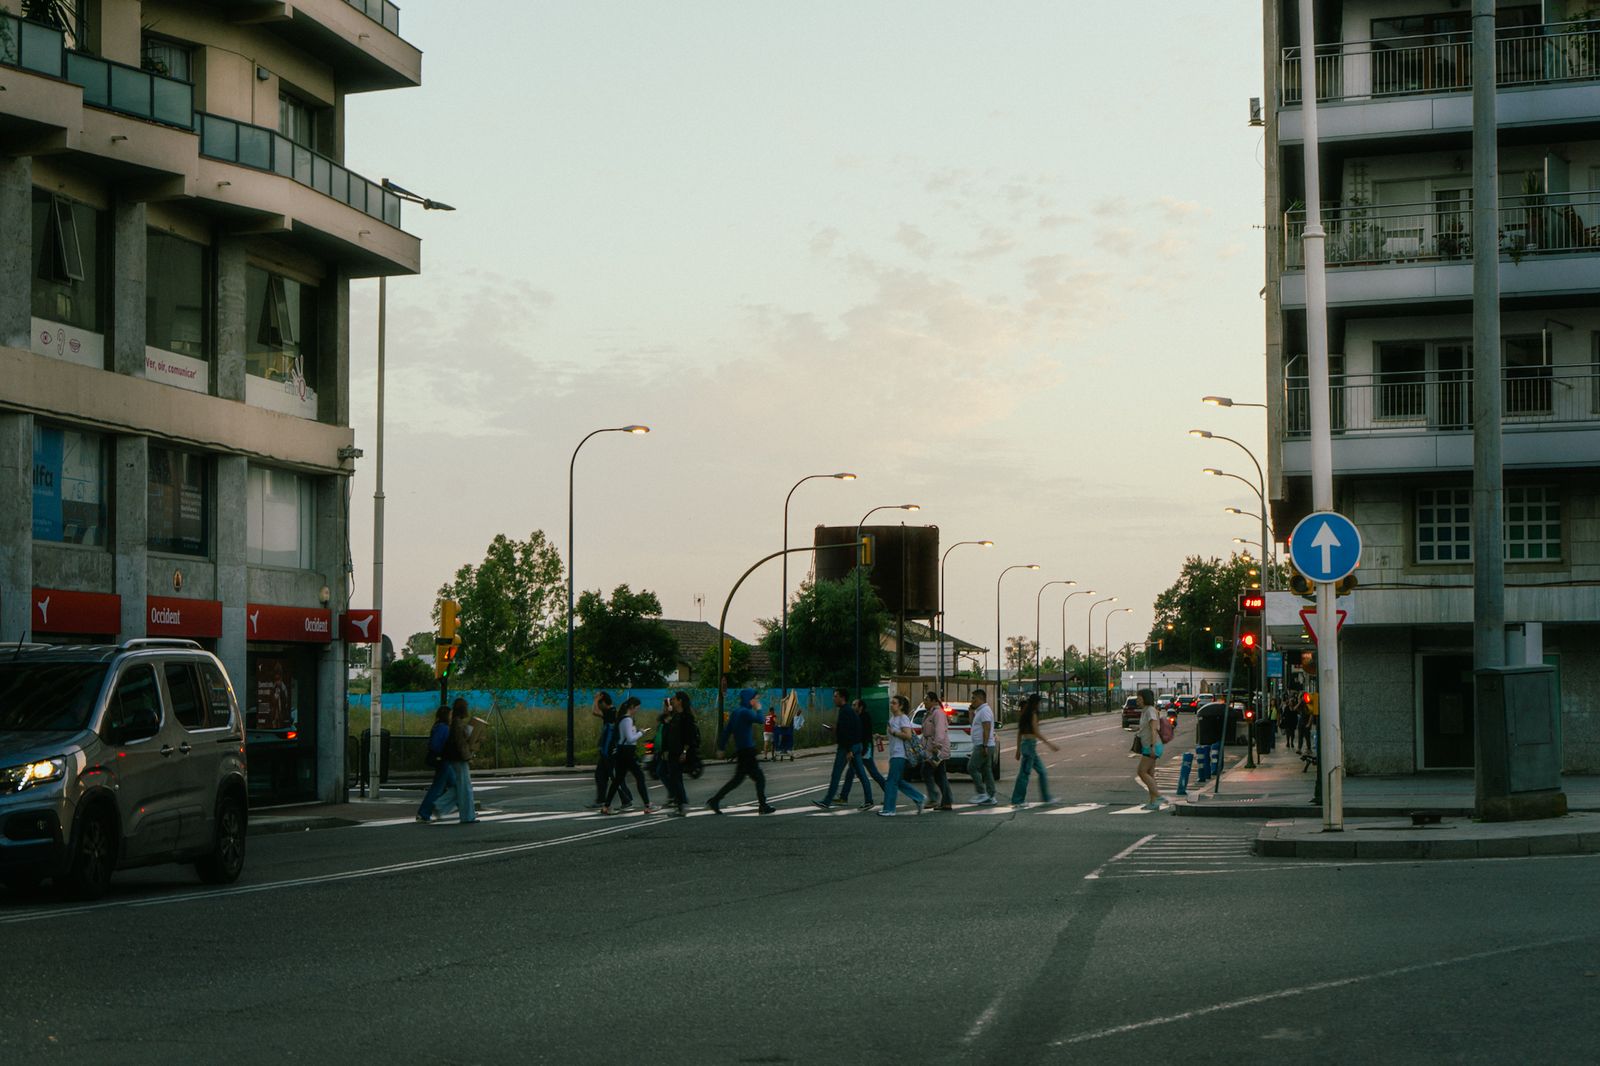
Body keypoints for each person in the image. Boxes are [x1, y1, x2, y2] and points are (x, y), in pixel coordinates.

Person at [708, 688, 774, 814]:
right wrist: (759, 708)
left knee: (737, 780)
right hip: (747, 752)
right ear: (749, 699)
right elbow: (760, 720)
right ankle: (763, 806)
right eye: (755, 698)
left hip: (742, 751)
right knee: (759, 778)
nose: (756, 700)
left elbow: (727, 731)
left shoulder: (736, 712)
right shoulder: (745, 712)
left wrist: (721, 747)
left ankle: (715, 800)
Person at [813, 687, 872, 810]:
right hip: (854, 746)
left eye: (835, 696)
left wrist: (849, 749)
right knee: (861, 774)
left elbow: (848, 732)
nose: (833, 699)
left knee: (836, 774)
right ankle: (869, 800)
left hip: (846, 747)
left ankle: (827, 801)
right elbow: (854, 729)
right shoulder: (850, 712)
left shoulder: (845, 712)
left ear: (842, 698)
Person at [601, 696, 656, 815]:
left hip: (622, 752)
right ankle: (647, 805)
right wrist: (641, 733)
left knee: (617, 780)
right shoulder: (627, 720)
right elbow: (630, 739)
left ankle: (606, 806)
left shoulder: (622, 719)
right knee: (639, 777)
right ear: (631, 707)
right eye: (637, 708)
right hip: (627, 752)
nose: (637, 710)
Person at [878, 695, 926, 817]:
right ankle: (919, 797)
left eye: (894, 703)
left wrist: (893, 732)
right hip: (894, 753)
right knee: (897, 781)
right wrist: (882, 737)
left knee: (891, 782)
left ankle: (889, 809)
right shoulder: (892, 719)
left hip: (900, 754)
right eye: (891, 703)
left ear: (901, 706)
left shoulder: (903, 719)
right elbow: (894, 736)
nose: (891, 705)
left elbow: (908, 735)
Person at [1009, 692, 1058, 807]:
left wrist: (1018, 749)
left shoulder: (1025, 714)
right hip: (1030, 746)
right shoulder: (1033, 714)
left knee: (1042, 772)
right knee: (1024, 774)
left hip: (1026, 745)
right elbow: (1036, 732)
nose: (1039, 705)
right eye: (1039, 702)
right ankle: (1018, 800)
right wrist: (1049, 744)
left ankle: (1046, 798)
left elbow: (1020, 732)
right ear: (1036, 703)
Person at [837, 698, 888, 808]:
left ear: (860, 707)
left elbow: (864, 735)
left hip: (864, 749)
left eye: (855, 705)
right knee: (851, 773)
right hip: (860, 748)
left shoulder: (864, 717)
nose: (852, 706)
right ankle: (843, 797)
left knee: (872, 773)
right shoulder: (857, 717)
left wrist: (860, 751)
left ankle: (884, 796)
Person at [587, 692, 632, 810]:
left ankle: (626, 798)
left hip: (610, 749)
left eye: (599, 703)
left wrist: (596, 699)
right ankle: (602, 799)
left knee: (612, 776)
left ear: (603, 703)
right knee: (601, 774)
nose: (598, 705)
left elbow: (594, 711)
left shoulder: (610, 712)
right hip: (608, 749)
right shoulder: (612, 712)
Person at [416, 705, 456, 822]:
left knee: (455, 786)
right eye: (450, 714)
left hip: (443, 760)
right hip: (444, 760)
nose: (451, 717)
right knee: (440, 788)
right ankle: (425, 812)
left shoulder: (438, 726)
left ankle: (465, 808)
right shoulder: (443, 728)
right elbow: (436, 745)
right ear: (446, 715)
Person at [659, 691, 695, 816]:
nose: (672, 701)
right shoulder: (675, 716)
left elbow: (689, 737)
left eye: (674, 699)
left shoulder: (686, 717)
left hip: (679, 752)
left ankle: (682, 804)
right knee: (675, 778)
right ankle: (681, 804)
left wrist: (684, 752)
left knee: (676, 779)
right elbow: (666, 728)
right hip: (671, 752)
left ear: (680, 701)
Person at [917, 691, 954, 810]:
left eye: (927, 699)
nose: (924, 701)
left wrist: (937, 745)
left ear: (933, 701)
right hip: (930, 748)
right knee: (939, 775)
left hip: (937, 749)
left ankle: (935, 798)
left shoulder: (938, 713)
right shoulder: (929, 713)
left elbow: (940, 730)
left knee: (927, 771)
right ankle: (946, 801)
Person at [445, 699, 479, 824]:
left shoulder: (455, 722)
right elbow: (461, 744)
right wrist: (468, 757)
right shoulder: (458, 724)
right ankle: (467, 816)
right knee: (465, 788)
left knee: (460, 787)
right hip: (459, 758)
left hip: (455, 758)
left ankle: (439, 807)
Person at [1134, 688, 1165, 810]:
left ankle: (1158, 796)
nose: (1137, 701)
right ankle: (1153, 803)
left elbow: (1153, 730)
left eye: (1139, 698)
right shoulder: (1145, 710)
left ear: (1145, 698)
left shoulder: (1150, 711)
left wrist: (1152, 747)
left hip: (1152, 746)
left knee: (1141, 771)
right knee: (1150, 774)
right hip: (1148, 745)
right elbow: (1146, 728)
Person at [968, 688, 998, 805]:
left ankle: (982, 793)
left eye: (974, 698)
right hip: (983, 745)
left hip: (983, 745)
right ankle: (991, 796)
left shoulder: (985, 711)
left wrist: (985, 746)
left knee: (972, 767)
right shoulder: (980, 711)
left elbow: (987, 728)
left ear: (981, 698)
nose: (972, 700)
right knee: (986, 770)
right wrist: (971, 713)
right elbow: (974, 725)